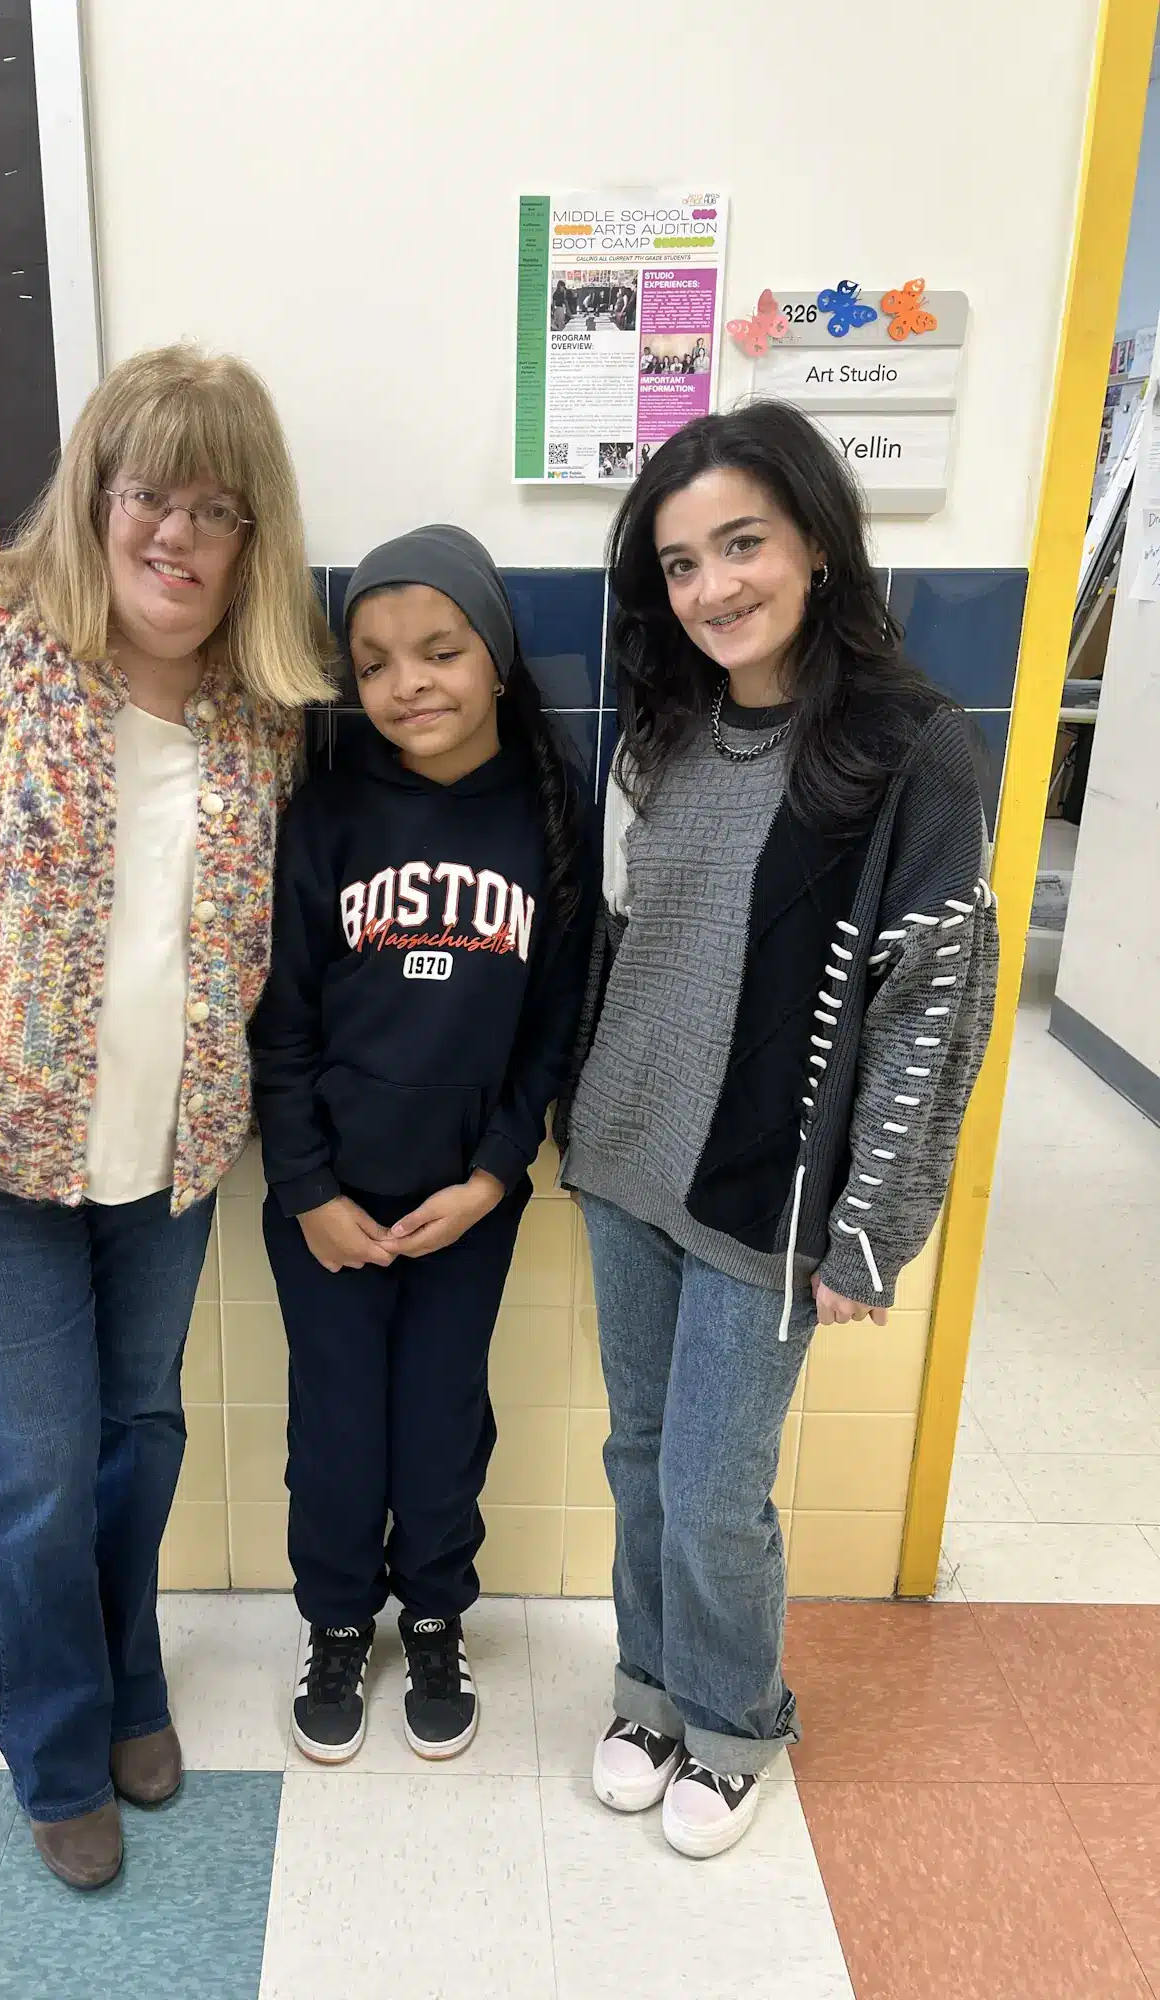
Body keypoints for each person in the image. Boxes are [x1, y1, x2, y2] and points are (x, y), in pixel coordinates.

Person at [0, 345, 334, 1891]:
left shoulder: (259, 705)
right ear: (98, 498)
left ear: (252, 536)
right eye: (148, 493)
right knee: (40, 1462)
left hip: (168, 1156)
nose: (176, 534)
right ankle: (54, 1740)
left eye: (215, 508)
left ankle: (132, 1684)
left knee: (139, 1435)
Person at [561, 401, 996, 1859]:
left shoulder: (910, 748)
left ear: (815, 540)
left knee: (710, 1487)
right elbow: (627, 940)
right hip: (627, 1158)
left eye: (739, 544)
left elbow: (934, 1002)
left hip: (771, 1191)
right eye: (681, 564)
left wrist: (873, 1228)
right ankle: (648, 1691)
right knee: (637, 1457)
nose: (712, 588)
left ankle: (736, 1719)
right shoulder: (666, 725)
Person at [250, 526, 590, 1766]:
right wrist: (306, 1188)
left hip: (470, 1201)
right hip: (327, 1204)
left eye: (441, 649)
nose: (411, 682)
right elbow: (277, 1019)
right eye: (378, 660)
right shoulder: (327, 815)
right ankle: (338, 1619)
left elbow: (555, 1019)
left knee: (443, 1417)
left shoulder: (553, 809)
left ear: (494, 654)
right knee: (336, 1423)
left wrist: (496, 1172)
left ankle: (437, 1607)